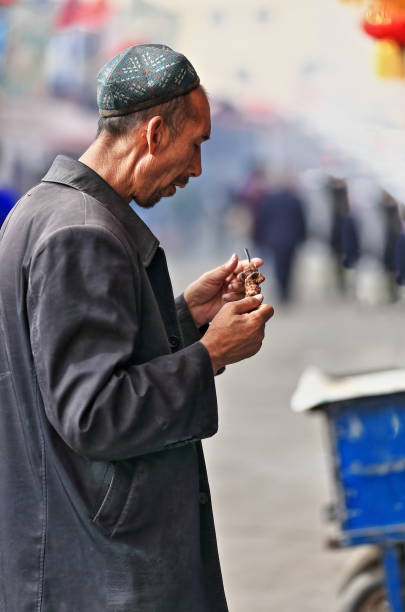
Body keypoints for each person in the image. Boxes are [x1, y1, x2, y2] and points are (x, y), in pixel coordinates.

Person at [0, 44, 274, 612]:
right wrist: (211, 355)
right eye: (194, 145)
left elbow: (67, 359)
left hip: (68, 551)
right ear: (153, 135)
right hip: (102, 568)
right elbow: (94, 414)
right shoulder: (82, 232)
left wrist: (185, 317)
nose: (196, 169)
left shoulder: (42, 209)